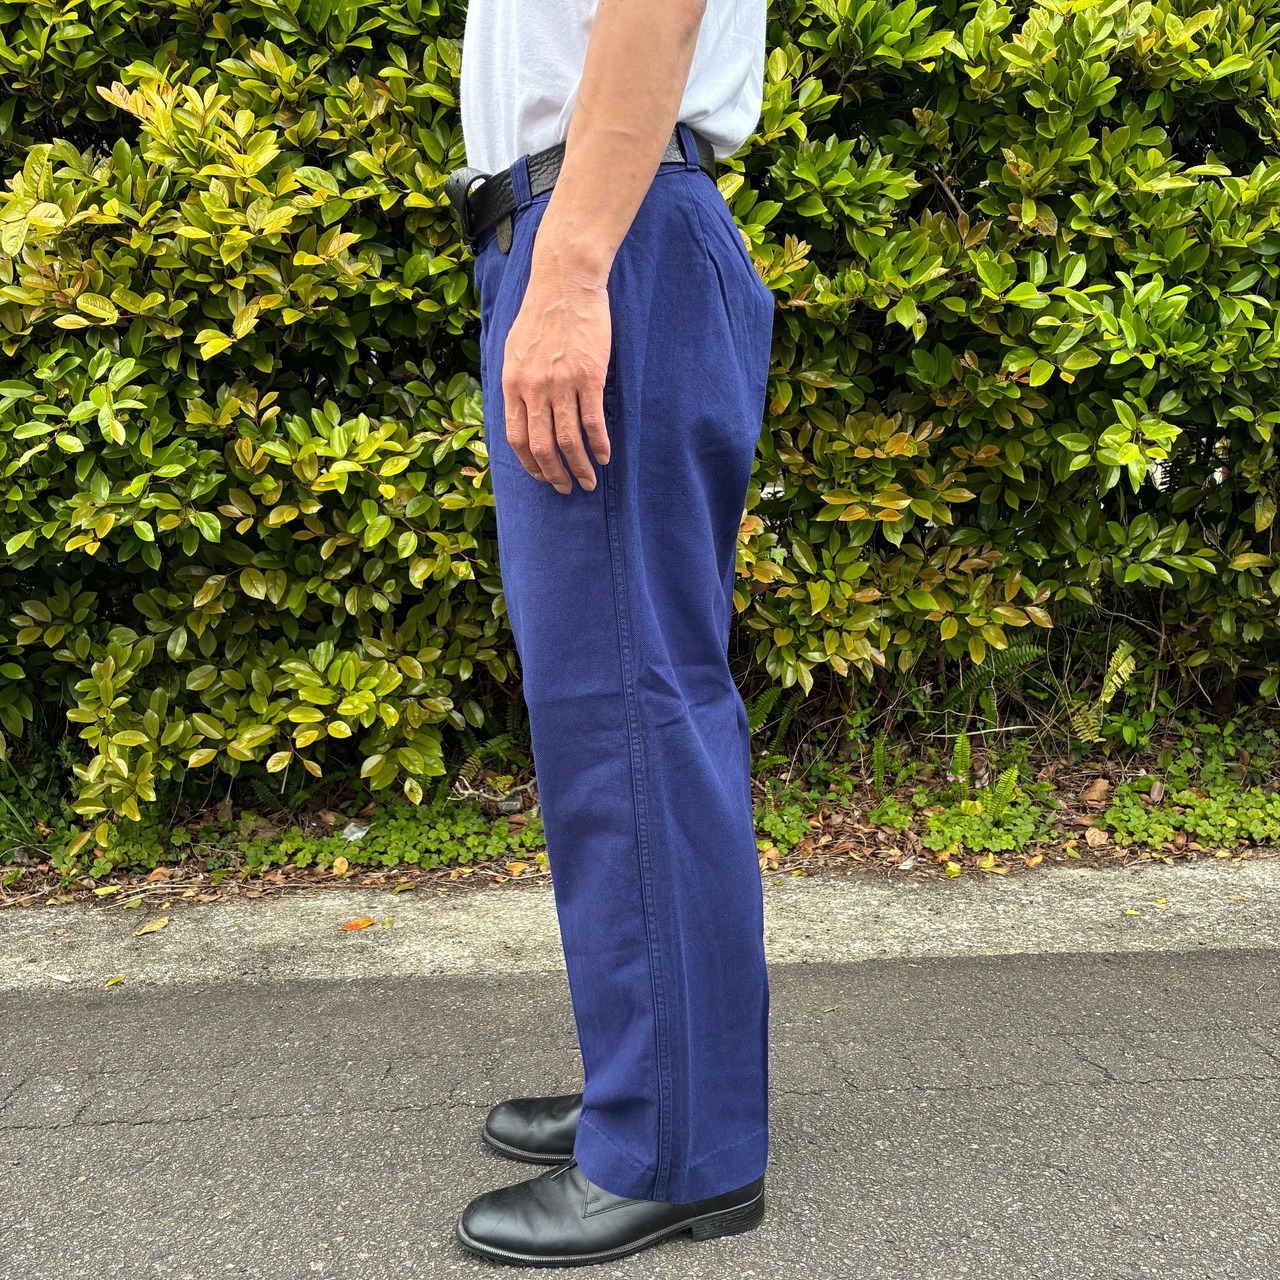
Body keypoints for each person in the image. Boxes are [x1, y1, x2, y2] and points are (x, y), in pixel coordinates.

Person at [445, 0, 775, 1266]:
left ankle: (673, 1146)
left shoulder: (589, 249)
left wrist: (572, 265)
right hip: (609, 220)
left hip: (604, 228)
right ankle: (663, 1082)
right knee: (634, 700)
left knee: (627, 705)